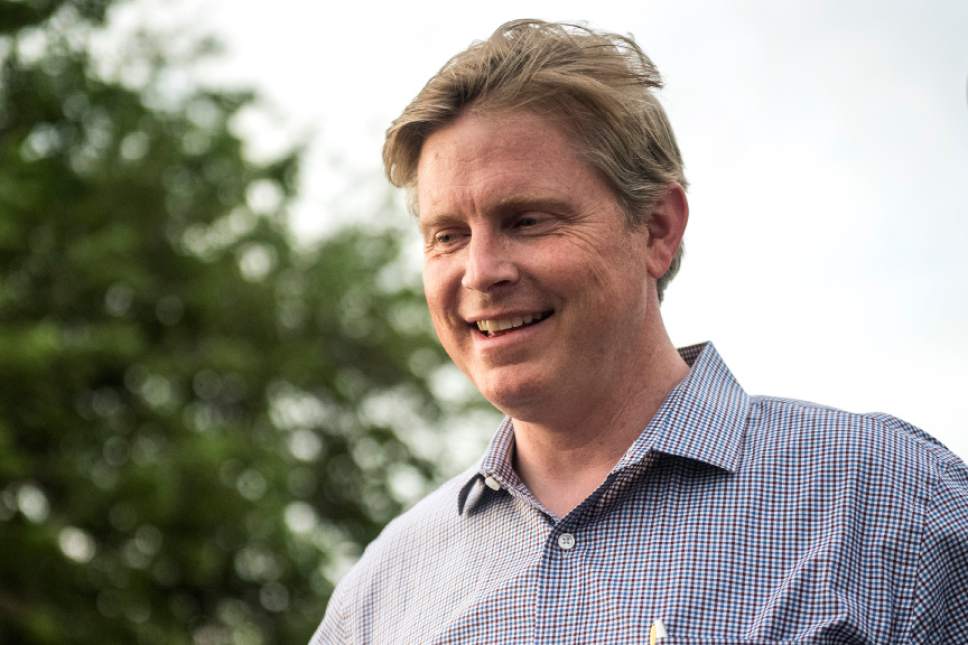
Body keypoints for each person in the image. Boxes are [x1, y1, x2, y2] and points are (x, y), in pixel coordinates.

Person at [311, 19, 968, 644]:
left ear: (657, 229)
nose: (480, 273)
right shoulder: (377, 599)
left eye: (528, 220)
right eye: (447, 236)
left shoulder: (894, 506)